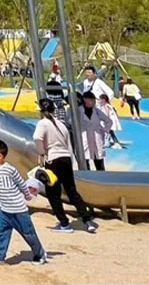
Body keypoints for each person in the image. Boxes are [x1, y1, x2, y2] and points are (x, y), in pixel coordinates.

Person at [33, 97, 96, 233]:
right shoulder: (61, 124)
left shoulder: (43, 123)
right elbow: (68, 145)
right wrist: (70, 160)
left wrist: (42, 153)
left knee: (53, 193)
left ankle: (64, 223)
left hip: (53, 159)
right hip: (66, 158)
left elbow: (37, 138)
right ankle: (87, 220)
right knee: (71, 191)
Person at [0, 138, 47, 266]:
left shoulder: (10, 169)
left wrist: (27, 195)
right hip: (1, 208)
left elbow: (21, 183)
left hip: (17, 210)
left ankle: (39, 254)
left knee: (28, 234)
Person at [78, 91, 112, 171]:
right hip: (84, 138)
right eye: (92, 100)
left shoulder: (96, 111)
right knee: (85, 160)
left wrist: (104, 130)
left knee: (99, 159)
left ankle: (101, 175)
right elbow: (70, 121)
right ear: (85, 100)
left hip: (96, 138)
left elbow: (109, 121)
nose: (94, 102)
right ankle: (87, 175)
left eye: (94, 100)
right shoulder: (78, 111)